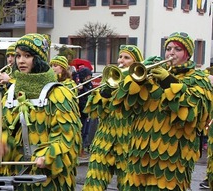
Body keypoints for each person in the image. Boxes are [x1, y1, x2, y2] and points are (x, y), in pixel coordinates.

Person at [111, 32, 213, 190]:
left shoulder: (199, 78)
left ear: (188, 54)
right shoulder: (154, 73)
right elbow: (123, 106)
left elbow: (195, 112)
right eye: (169, 48)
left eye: (178, 49)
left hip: (172, 159)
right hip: (139, 153)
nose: (171, 52)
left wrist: (168, 82)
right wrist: (139, 79)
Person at [0, 33, 81, 190]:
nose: (21, 60)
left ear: (38, 58)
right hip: (17, 175)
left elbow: (67, 137)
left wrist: (48, 155)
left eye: (27, 56)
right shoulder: (11, 93)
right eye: (18, 55)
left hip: (49, 179)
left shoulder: (59, 94)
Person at [82, 44, 143, 190]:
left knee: (127, 185)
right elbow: (95, 112)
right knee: (93, 182)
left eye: (127, 57)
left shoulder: (141, 83)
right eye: (120, 56)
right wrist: (104, 94)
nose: (121, 60)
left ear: (135, 63)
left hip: (128, 142)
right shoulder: (108, 80)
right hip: (104, 139)